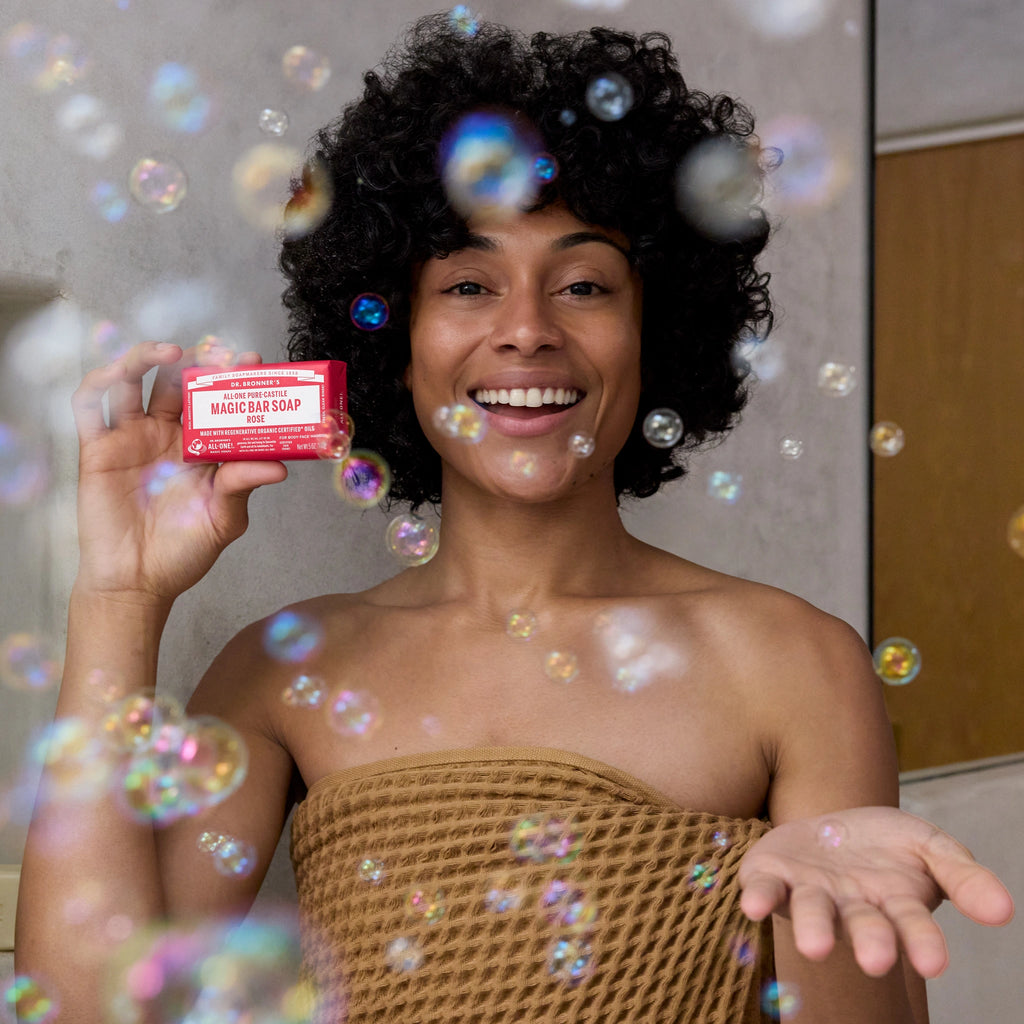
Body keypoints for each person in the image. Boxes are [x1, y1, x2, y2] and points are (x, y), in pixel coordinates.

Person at [16, 13, 1013, 1024]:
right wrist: (119, 594)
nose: (528, 329)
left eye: (583, 284)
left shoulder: (793, 663)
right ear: (396, 346)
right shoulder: (282, 666)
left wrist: (820, 915)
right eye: (466, 283)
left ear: (654, 333)